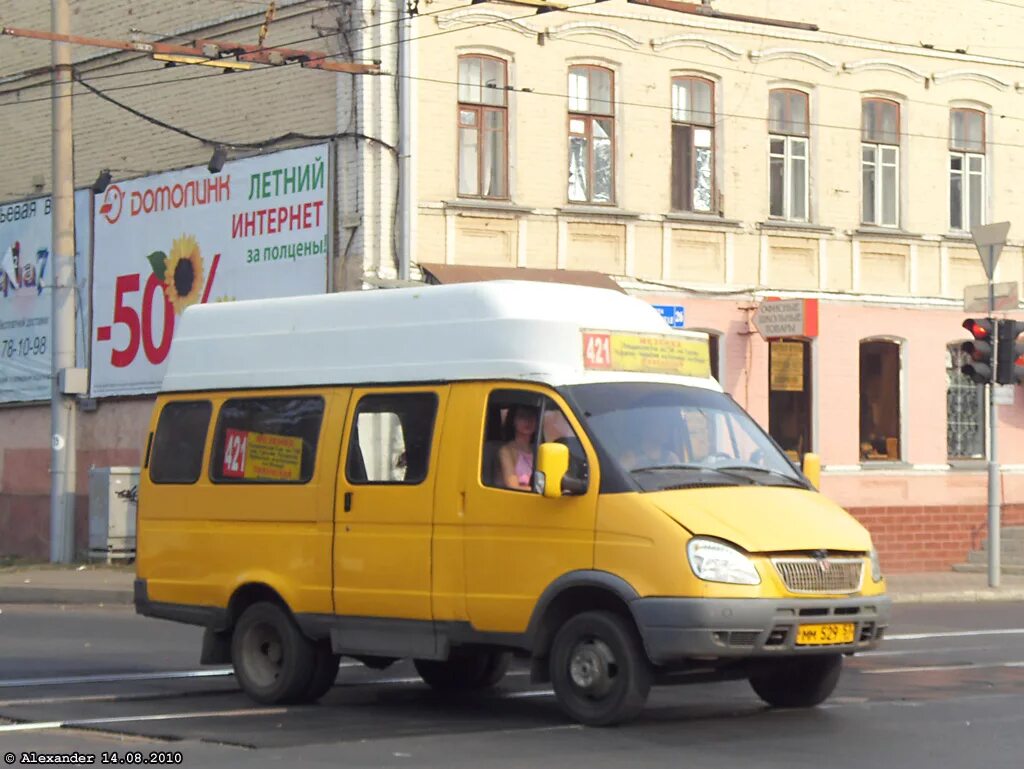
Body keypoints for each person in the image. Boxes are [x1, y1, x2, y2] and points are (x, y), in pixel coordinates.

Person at [498, 404, 538, 490]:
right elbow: (512, 487)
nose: (528, 420)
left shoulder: (539, 450)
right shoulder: (506, 451)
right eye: (522, 416)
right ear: (513, 420)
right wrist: (539, 490)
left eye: (532, 416)